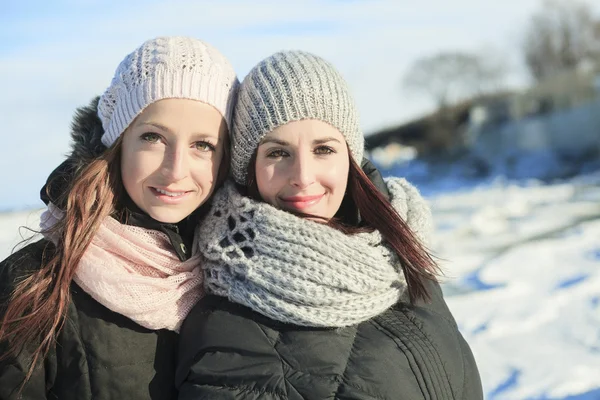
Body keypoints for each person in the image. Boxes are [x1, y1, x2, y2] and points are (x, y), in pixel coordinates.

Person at [176, 50, 483, 399]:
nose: (303, 177)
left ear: (350, 158)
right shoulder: (226, 329)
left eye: (323, 150)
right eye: (278, 153)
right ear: (249, 167)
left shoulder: (399, 250)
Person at [0, 36, 238, 399]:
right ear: (118, 142)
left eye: (202, 145)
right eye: (153, 137)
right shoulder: (35, 282)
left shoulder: (240, 280)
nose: (176, 170)